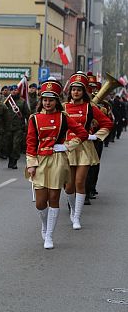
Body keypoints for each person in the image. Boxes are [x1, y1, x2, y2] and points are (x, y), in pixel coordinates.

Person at [26, 79, 88, 249]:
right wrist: (31, 163)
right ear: (41, 101)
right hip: (39, 161)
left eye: (51, 100)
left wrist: (67, 146)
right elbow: (31, 142)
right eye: (45, 100)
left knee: (54, 197)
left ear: (57, 101)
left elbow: (82, 133)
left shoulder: (63, 117)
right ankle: (45, 226)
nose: (47, 103)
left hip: (58, 160)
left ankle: (50, 236)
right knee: (40, 202)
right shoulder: (34, 118)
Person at [63, 72, 112, 229]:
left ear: (84, 91)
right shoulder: (63, 107)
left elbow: (107, 123)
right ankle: (72, 210)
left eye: (79, 89)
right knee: (69, 186)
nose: (75, 92)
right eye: (73, 89)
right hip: (68, 147)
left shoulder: (89, 107)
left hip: (84, 147)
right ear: (69, 91)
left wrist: (95, 137)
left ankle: (77, 217)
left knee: (79, 182)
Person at [5, 85, 30, 169]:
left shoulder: (22, 101)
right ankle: (10, 159)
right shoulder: (7, 101)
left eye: (15, 90)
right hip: (8, 127)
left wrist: (29, 125)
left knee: (16, 145)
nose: (13, 91)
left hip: (18, 127)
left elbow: (27, 114)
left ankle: (14, 161)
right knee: (8, 145)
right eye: (12, 90)